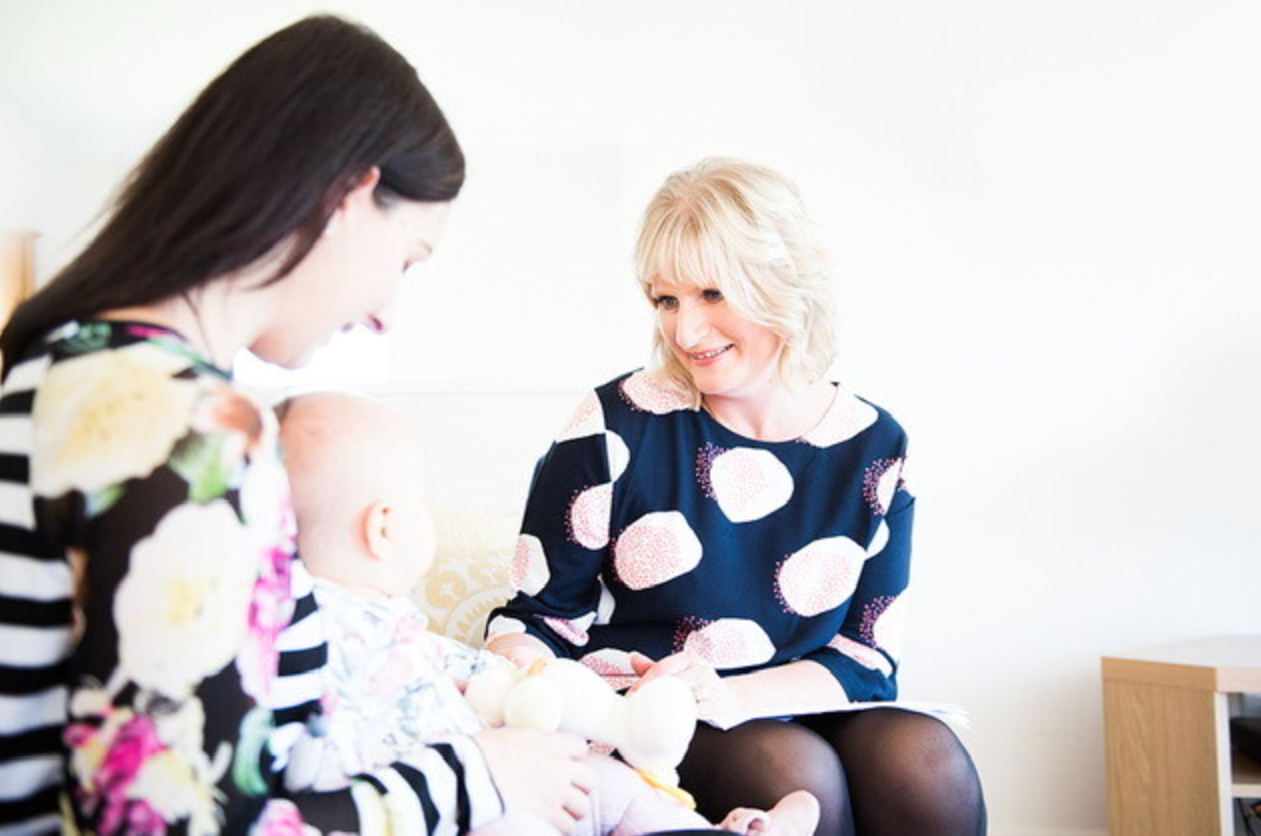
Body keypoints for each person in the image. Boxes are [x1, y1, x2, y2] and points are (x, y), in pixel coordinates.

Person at [0, 16, 597, 836]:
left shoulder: (60, 369)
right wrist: (474, 780)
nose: (388, 312)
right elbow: (170, 827)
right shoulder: (190, 426)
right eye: (407, 258)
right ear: (348, 197)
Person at [485, 158, 987, 836]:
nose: (685, 332)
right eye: (666, 301)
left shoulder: (874, 447)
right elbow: (537, 618)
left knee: (924, 759)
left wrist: (727, 693)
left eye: (713, 294)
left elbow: (865, 659)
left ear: (782, 284)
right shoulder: (617, 424)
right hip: (649, 716)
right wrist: (527, 676)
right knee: (792, 772)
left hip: (781, 698)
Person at [274, 390, 821, 836]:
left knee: (604, 782)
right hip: (455, 804)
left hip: (474, 781)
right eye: (421, 495)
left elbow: (471, 673)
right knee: (600, 792)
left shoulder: (328, 622)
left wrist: (529, 685)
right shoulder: (322, 632)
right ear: (386, 527)